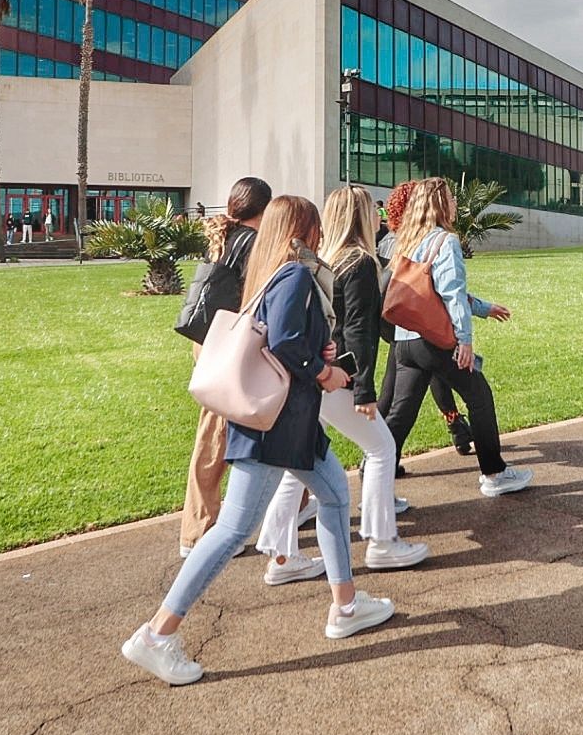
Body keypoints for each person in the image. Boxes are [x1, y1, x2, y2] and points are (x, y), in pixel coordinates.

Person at [122, 195, 395, 685]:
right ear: (304, 229)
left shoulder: (270, 272)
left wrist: (319, 345)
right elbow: (288, 343)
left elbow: (283, 335)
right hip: (278, 423)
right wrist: (325, 370)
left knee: (334, 495)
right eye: (312, 226)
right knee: (232, 529)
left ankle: (347, 604)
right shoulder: (292, 274)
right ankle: (157, 634)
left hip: (288, 423)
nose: (317, 236)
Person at [257, 184, 429, 583]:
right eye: (373, 210)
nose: (379, 215)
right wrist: (364, 389)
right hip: (337, 378)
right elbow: (359, 331)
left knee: (298, 463)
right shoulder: (361, 263)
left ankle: (281, 556)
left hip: (314, 378)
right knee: (382, 448)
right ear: (360, 217)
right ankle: (382, 542)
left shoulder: (325, 261)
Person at [382, 177, 530, 497]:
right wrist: (464, 340)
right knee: (479, 397)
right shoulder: (444, 241)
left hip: (405, 341)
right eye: (450, 197)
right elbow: (451, 294)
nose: (455, 203)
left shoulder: (402, 242)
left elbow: (426, 293)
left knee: (400, 416)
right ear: (439, 204)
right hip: (435, 341)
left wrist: (485, 308)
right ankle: (494, 474)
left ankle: (375, 488)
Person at [180, 177, 272, 556]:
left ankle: (290, 508)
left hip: (212, 343)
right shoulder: (250, 243)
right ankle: (199, 531)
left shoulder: (223, 239)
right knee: (217, 436)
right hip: (230, 348)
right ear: (263, 209)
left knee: (224, 433)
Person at [377, 180, 475, 462]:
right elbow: (449, 292)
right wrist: (464, 337)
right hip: (419, 326)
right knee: (464, 390)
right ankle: (459, 430)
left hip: (399, 326)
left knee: (399, 397)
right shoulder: (424, 241)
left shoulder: (394, 241)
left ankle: (379, 457)